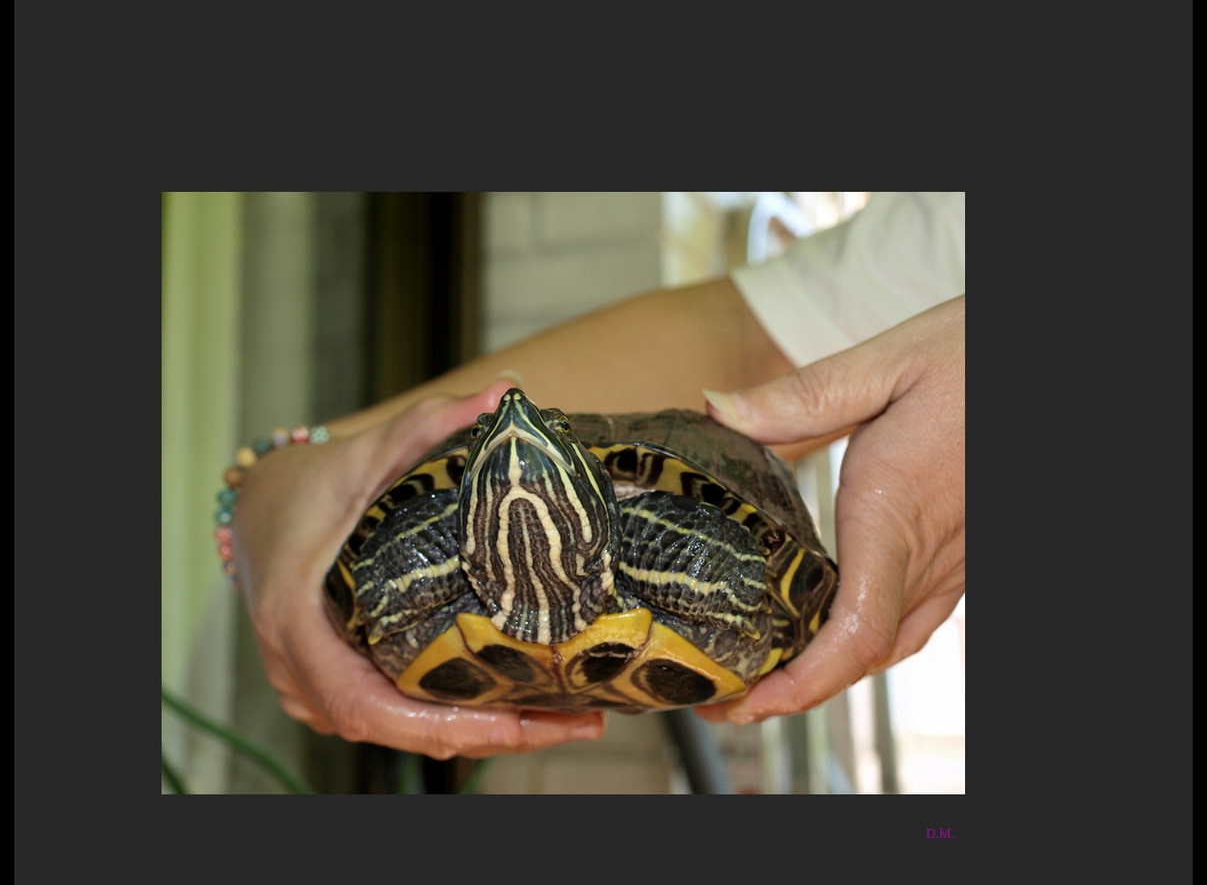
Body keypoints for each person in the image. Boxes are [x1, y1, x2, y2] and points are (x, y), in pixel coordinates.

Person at [230, 192, 965, 761]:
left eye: (542, 448)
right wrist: (272, 480)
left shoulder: (651, 540)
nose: (513, 429)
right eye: (494, 443)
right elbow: (758, 344)